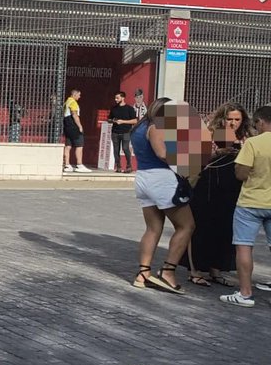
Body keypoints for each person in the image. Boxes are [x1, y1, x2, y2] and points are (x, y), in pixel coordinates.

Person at [182, 103, 255, 286]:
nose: (233, 123)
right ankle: (196, 269)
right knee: (203, 227)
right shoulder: (211, 132)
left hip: (232, 189)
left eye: (237, 119)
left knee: (225, 229)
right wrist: (218, 152)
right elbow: (195, 159)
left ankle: (216, 268)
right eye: (229, 119)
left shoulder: (247, 137)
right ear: (222, 118)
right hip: (208, 187)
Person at [130, 97, 194, 295]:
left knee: (153, 228)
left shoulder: (139, 128)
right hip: (162, 178)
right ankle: (168, 272)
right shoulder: (155, 127)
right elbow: (162, 153)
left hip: (142, 177)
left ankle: (143, 273)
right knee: (187, 225)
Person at [220, 105, 271, 307]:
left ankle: (245, 293)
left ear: (259, 122)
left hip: (250, 202)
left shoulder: (252, 143)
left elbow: (241, 174)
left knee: (244, 247)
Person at [107, 92, 138, 172]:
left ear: (123, 98)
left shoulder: (129, 108)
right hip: (115, 132)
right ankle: (118, 167)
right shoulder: (113, 108)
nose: (115, 99)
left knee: (125, 148)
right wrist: (113, 120)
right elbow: (109, 119)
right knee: (116, 150)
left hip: (126, 132)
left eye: (117, 98)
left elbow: (135, 121)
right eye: (115, 98)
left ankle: (129, 166)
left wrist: (123, 121)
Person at [63, 89, 89, 173]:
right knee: (79, 145)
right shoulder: (73, 102)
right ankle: (79, 165)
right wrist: (80, 126)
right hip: (73, 126)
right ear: (74, 95)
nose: (79, 97)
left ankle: (67, 165)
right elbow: (74, 114)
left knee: (68, 146)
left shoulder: (66, 102)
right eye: (79, 95)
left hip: (67, 126)